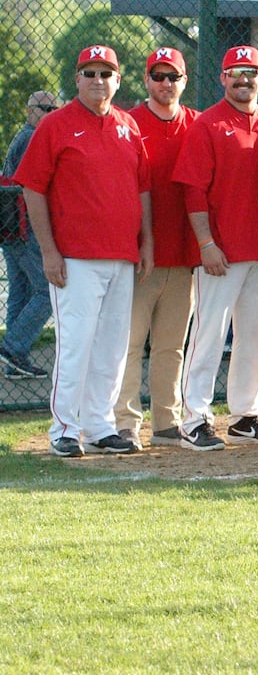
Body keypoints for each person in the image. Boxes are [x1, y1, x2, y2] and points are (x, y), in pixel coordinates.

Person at [16, 46, 152, 456]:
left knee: (111, 347)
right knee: (76, 344)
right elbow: (32, 188)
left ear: (118, 80)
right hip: (74, 258)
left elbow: (142, 189)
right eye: (89, 73)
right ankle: (64, 429)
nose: (98, 80)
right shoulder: (55, 125)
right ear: (77, 80)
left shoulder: (128, 125)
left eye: (105, 73)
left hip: (122, 256)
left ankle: (99, 425)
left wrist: (147, 243)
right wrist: (48, 252)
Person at [173, 45, 258, 451]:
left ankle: (244, 416)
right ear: (222, 78)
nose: (243, 78)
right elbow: (193, 190)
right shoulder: (207, 124)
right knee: (209, 337)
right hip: (221, 252)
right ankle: (195, 419)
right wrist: (205, 243)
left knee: (256, 339)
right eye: (235, 71)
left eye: (251, 71)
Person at [116, 49, 200, 449]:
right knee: (130, 344)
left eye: (173, 77)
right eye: (158, 75)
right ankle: (125, 422)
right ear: (147, 80)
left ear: (184, 81)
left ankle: (167, 422)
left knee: (172, 346)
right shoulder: (128, 123)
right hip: (140, 257)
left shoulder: (196, 124)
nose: (166, 84)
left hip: (183, 254)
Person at [1, 89, 59, 380]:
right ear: (30, 110)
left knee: (21, 293)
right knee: (46, 291)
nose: (50, 114)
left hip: (12, 228)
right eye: (44, 108)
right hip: (24, 227)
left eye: (53, 109)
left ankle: (16, 360)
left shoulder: (24, 135)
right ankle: (13, 346)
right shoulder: (31, 137)